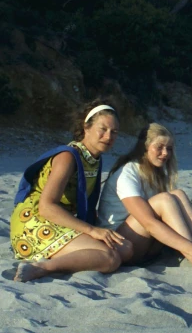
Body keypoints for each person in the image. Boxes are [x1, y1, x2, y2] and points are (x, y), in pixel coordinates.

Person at [10, 99, 132, 282]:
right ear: (86, 127)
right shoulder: (68, 156)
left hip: (61, 221)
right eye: (103, 129)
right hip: (35, 221)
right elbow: (46, 207)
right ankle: (41, 267)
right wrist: (91, 230)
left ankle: (65, 257)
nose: (108, 137)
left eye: (114, 132)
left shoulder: (94, 159)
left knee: (126, 248)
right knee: (110, 258)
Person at [97, 123, 192, 266]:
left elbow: (179, 212)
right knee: (164, 200)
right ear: (145, 147)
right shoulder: (127, 173)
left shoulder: (156, 172)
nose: (166, 153)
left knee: (178, 194)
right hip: (120, 243)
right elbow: (148, 223)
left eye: (169, 148)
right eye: (159, 147)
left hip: (145, 242)